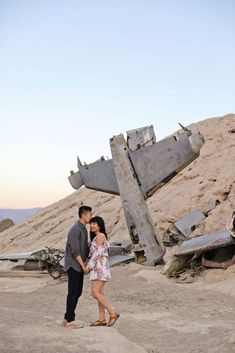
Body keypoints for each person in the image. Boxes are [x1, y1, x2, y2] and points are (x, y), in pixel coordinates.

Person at [85, 216, 120, 327]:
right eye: (91, 223)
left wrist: (88, 267)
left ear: (100, 225)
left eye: (94, 223)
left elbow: (97, 254)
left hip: (100, 267)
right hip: (98, 267)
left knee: (95, 293)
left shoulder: (100, 235)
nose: (92, 225)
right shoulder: (96, 238)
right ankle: (101, 319)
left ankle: (112, 313)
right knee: (99, 294)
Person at [63, 205, 92, 329]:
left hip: (79, 265)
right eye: (90, 214)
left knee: (77, 292)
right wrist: (83, 265)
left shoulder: (84, 229)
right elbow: (75, 251)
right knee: (73, 292)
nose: (91, 216)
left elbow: (84, 248)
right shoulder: (75, 230)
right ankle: (69, 320)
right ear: (84, 215)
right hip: (74, 265)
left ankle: (69, 317)